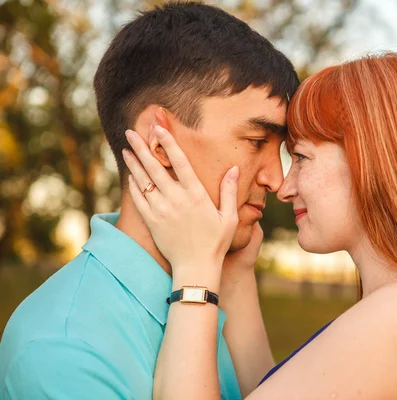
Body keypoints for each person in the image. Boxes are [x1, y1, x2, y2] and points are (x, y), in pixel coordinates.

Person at [123, 53, 397, 399]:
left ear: (371, 161)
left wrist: (194, 271)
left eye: (300, 157)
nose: (284, 186)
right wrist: (237, 275)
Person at [0, 3, 298, 399]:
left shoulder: (216, 288)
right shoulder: (65, 348)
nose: (277, 179)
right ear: (159, 143)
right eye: (257, 142)